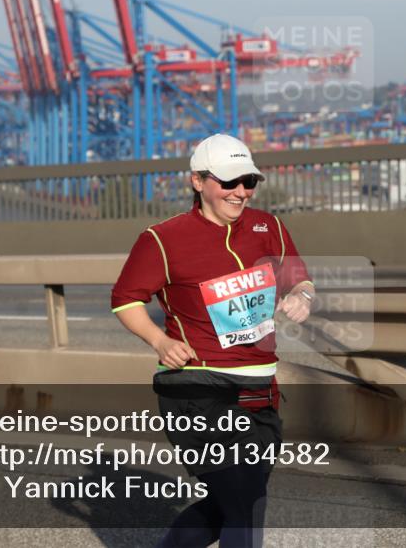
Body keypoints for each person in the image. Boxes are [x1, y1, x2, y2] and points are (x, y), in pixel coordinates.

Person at [111, 133, 314, 548]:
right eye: (228, 182)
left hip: (260, 388)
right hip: (198, 389)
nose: (240, 192)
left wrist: (302, 296)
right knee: (245, 504)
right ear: (198, 181)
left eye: (248, 182)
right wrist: (159, 340)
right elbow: (125, 299)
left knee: (230, 505)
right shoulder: (163, 238)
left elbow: (300, 278)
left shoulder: (268, 226)